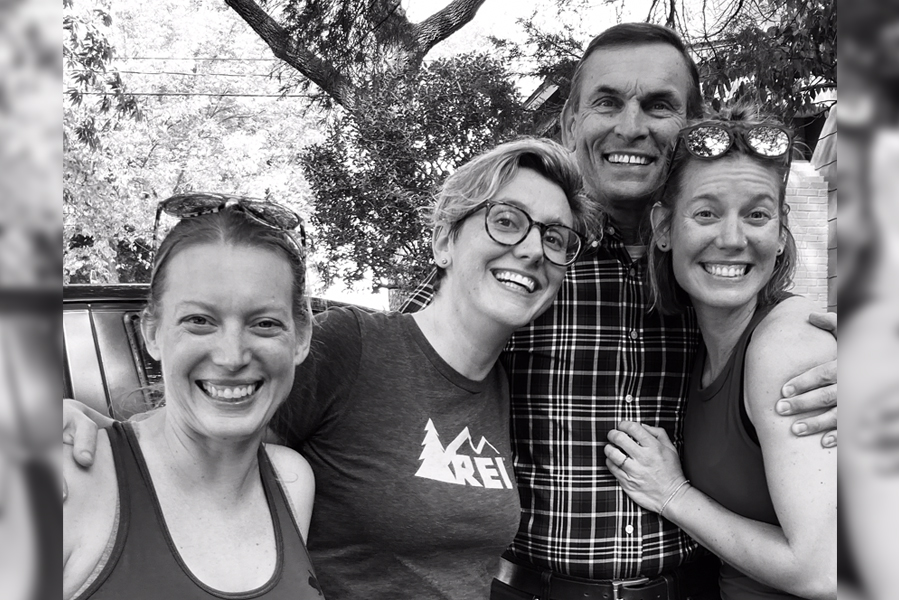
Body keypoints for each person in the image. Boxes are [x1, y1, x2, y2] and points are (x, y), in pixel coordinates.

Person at [400, 23, 838, 600]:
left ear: (690, 129)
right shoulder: (519, 263)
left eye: (659, 105)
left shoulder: (716, 278)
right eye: (607, 102)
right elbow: (397, 376)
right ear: (570, 124)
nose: (631, 126)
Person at [64, 138, 598, 599]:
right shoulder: (352, 346)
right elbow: (209, 435)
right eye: (506, 221)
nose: (533, 249)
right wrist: (93, 432)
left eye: (555, 238)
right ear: (444, 241)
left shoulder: (510, 383)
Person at [603, 107, 836, 600]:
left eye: (757, 215)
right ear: (664, 228)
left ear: (780, 233)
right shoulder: (703, 340)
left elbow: (824, 572)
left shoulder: (786, 344)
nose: (732, 239)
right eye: (706, 213)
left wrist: (672, 494)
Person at [63, 196, 323, 599]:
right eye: (199, 321)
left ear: (301, 337)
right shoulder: (70, 480)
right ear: (152, 333)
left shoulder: (292, 481)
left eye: (265, 323)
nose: (232, 356)